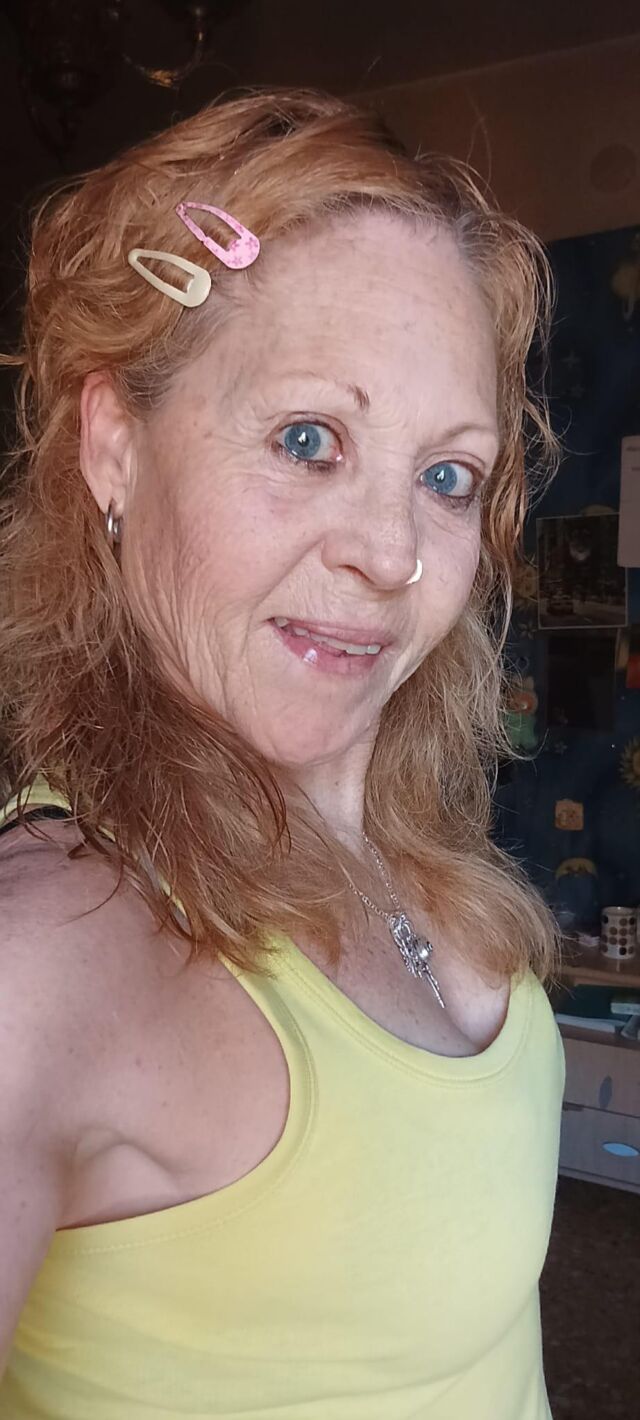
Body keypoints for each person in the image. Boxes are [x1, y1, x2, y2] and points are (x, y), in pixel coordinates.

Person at [0, 89, 566, 1419]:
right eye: (309, 442)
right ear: (115, 446)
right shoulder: (51, 953)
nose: (392, 551)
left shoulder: (423, 865)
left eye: (447, 475)